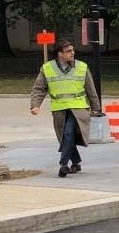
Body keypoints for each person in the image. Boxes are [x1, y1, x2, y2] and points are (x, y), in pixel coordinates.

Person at [30, 39, 103, 177]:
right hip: (59, 109)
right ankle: (76, 162)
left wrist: (95, 107)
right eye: (69, 51)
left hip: (79, 108)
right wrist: (35, 105)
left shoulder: (82, 67)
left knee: (69, 133)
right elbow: (39, 88)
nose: (73, 53)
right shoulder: (47, 68)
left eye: (73, 50)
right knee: (65, 137)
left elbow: (91, 89)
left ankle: (63, 164)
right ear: (59, 54)